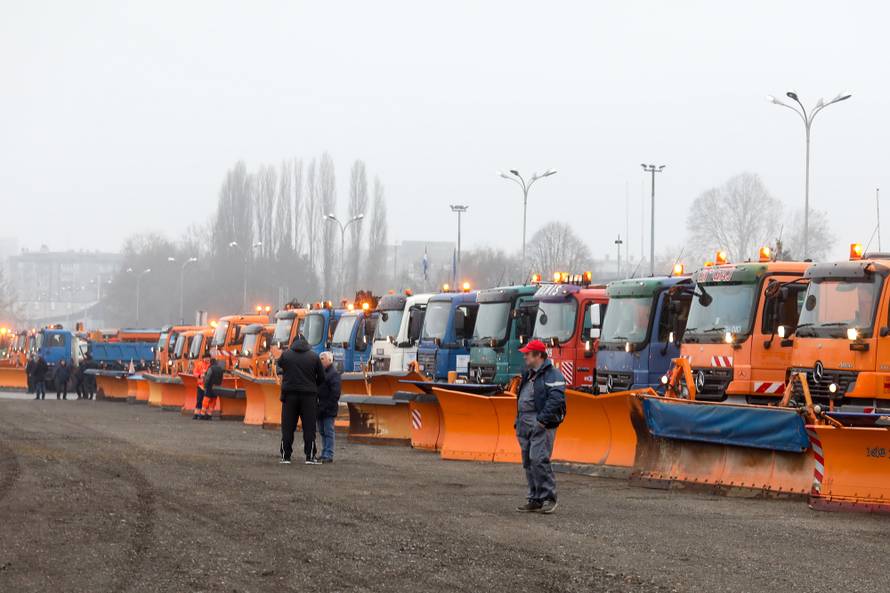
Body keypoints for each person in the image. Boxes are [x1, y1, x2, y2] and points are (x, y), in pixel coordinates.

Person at [514, 339, 566, 514]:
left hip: (541, 424)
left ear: (538, 355)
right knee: (528, 461)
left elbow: (556, 400)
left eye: (528, 354)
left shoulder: (554, 375)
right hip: (524, 423)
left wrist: (542, 421)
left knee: (538, 459)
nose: (525, 357)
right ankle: (535, 498)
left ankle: (549, 497)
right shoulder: (528, 373)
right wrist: (518, 421)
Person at [276, 334, 325, 465]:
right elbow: (322, 377)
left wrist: (283, 375)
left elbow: (278, 367)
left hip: (289, 395)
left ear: (293, 343)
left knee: (287, 427)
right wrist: (313, 385)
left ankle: (286, 456)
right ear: (306, 342)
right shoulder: (314, 356)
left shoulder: (286, 355)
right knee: (309, 427)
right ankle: (309, 456)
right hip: (309, 396)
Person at [316, 351, 342, 463]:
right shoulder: (319, 373)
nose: (320, 361)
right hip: (319, 407)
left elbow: (335, 393)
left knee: (328, 431)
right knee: (322, 431)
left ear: (329, 360)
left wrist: (326, 407)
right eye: (320, 358)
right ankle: (324, 452)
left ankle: (329, 454)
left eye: (322, 358)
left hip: (328, 408)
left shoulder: (334, 374)